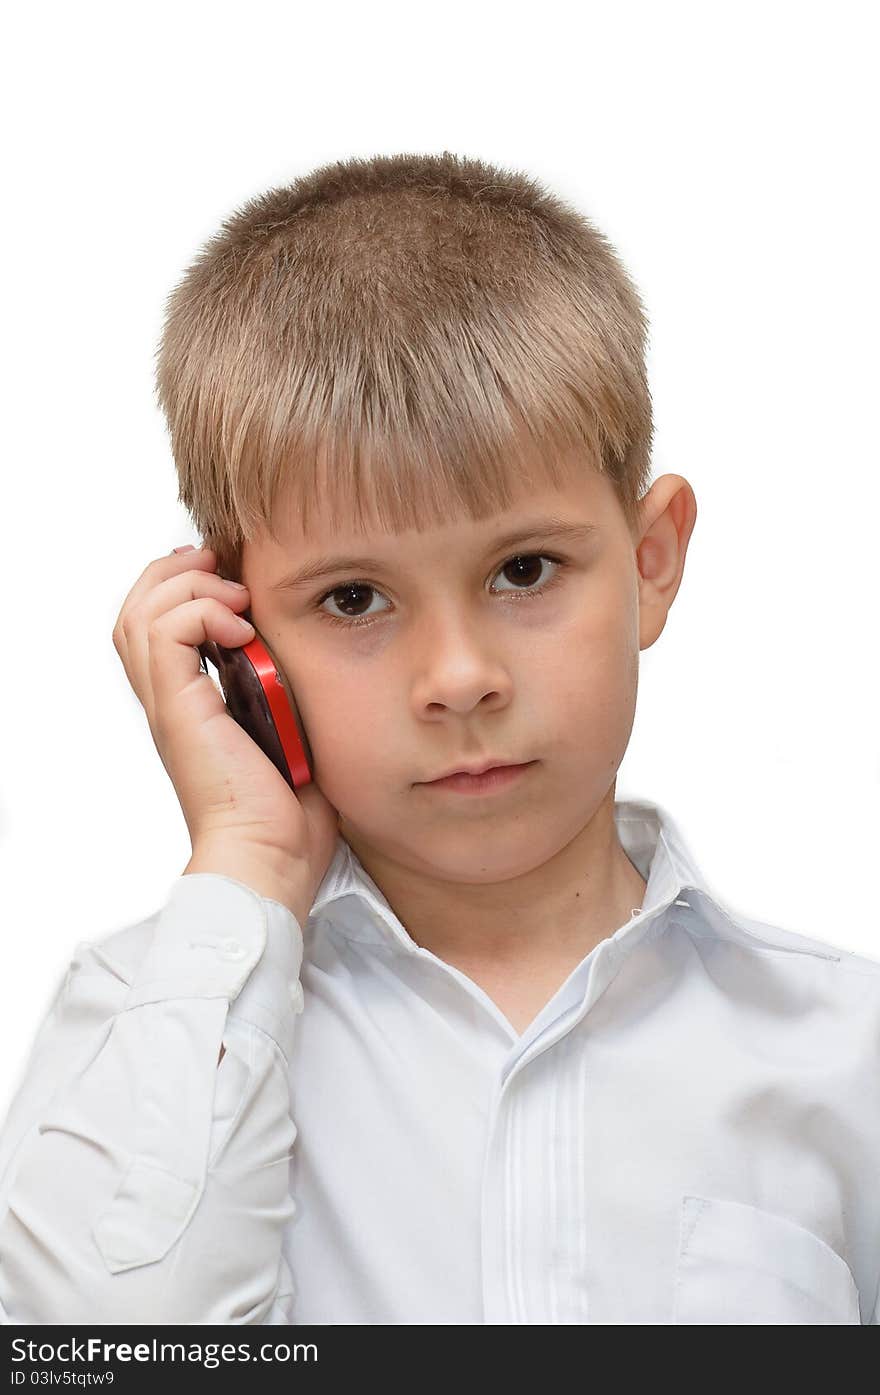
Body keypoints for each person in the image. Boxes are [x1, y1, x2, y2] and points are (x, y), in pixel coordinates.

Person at [0, 151, 876, 1327]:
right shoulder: (158, 1015)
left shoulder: (841, 1052)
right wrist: (247, 868)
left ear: (651, 562)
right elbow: (101, 1353)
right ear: (237, 635)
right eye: (353, 599)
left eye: (524, 570)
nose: (458, 678)